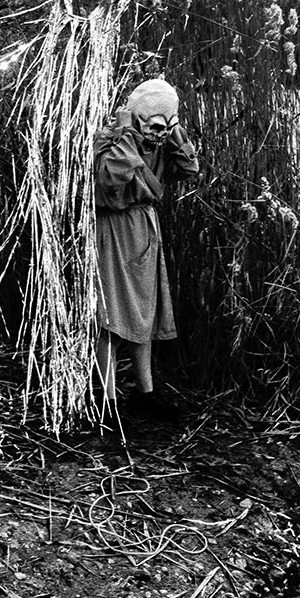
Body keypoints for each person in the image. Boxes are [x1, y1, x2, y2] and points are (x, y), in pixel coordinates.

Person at [93, 77, 199, 421]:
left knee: (145, 315)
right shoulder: (111, 141)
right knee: (111, 317)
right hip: (114, 232)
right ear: (136, 118)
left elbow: (188, 169)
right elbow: (110, 178)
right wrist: (125, 133)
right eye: (154, 126)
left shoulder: (158, 144)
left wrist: (174, 128)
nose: (160, 134)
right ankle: (105, 401)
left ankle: (145, 393)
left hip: (146, 231)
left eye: (166, 126)